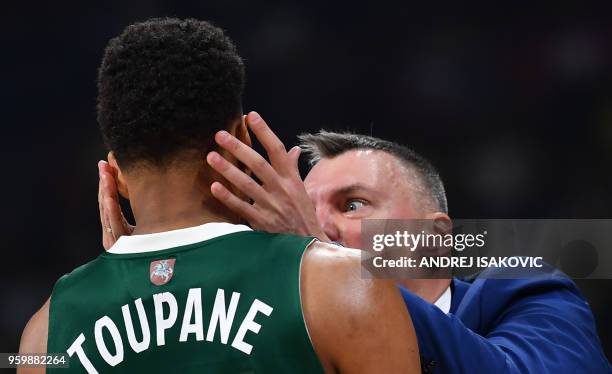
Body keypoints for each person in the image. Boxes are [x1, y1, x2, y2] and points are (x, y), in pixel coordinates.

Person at [18, 18, 421, 374]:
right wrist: (309, 250)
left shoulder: (45, 332)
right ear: (239, 142)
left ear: (115, 174)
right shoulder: (338, 285)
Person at [99, 112, 610, 372]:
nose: (323, 227)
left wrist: (315, 248)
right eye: (308, 209)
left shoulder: (532, 294)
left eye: (352, 205)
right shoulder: (274, 333)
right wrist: (144, 293)